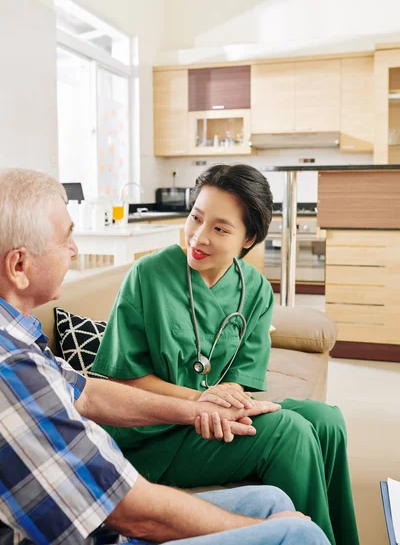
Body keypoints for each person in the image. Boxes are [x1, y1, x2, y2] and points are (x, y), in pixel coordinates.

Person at [0, 167, 331, 545]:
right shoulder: (14, 369)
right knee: (289, 451)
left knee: (319, 425)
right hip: (137, 466)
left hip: (166, 445)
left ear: (248, 238)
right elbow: (131, 514)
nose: (76, 250)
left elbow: (86, 392)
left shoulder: (23, 342)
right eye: (67, 238)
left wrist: (205, 406)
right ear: (20, 266)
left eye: (221, 228)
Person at [93, 164, 359, 545]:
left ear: (248, 238)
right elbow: (123, 378)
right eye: (196, 218)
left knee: (326, 419)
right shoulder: (148, 276)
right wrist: (202, 400)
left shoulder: (255, 289)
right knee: (288, 432)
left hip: (208, 424)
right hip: (151, 436)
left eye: (220, 228)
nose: (198, 237)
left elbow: (242, 379)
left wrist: (227, 400)